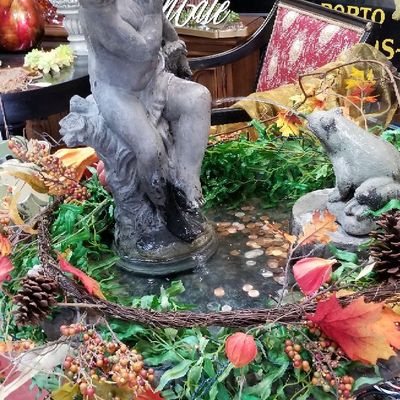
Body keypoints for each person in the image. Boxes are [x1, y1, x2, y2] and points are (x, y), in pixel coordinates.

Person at [79, 0, 211, 212]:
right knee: (150, 150)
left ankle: (187, 181)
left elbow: (161, 20)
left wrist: (175, 45)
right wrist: (153, 11)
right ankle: (161, 209)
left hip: (153, 78)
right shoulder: (98, 9)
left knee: (197, 98)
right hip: (119, 92)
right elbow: (142, 50)